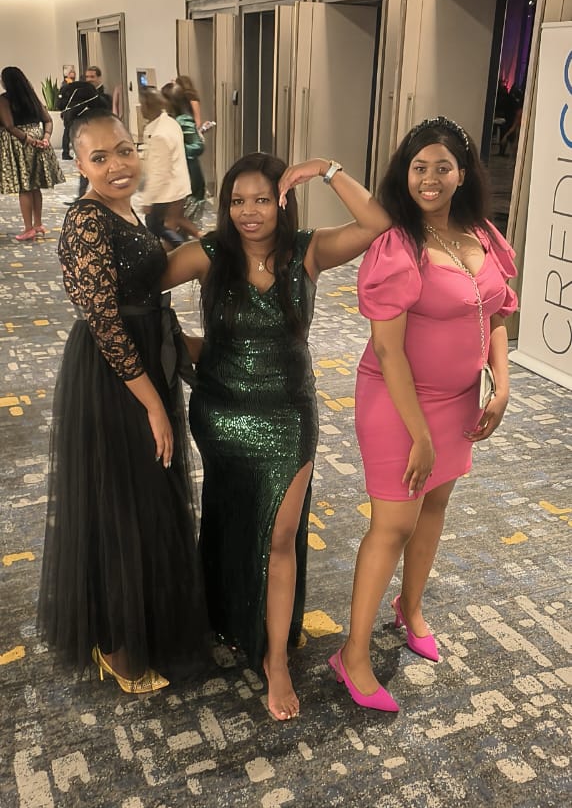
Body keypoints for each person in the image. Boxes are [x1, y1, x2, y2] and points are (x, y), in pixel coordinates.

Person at [162, 152, 392, 720]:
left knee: (281, 535)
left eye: (262, 199)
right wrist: (175, 345)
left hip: (289, 417)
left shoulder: (306, 251)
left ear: (281, 202)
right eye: (237, 201)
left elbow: (377, 223)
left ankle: (277, 660)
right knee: (231, 517)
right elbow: (139, 289)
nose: (249, 212)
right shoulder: (209, 254)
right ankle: (229, 616)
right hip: (221, 415)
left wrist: (324, 169)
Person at [329, 117, 517, 714]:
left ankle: (408, 608)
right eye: (418, 168)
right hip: (397, 402)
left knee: (434, 506)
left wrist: (501, 384)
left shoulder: (482, 234)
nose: (429, 179)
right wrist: (420, 435)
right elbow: (388, 351)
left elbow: (497, 312)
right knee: (392, 525)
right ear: (403, 175)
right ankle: (352, 653)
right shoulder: (398, 245)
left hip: (460, 399)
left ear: (463, 174)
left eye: (442, 167)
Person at [38, 96, 208, 693]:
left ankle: (141, 626)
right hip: (115, 374)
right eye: (100, 158)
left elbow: (145, 286)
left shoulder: (127, 210)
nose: (117, 166)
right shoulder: (87, 220)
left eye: (125, 151)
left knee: (144, 494)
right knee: (120, 502)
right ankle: (118, 644)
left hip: (143, 360)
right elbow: (105, 321)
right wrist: (154, 404)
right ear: (80, 163)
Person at [0, 65, 64, 240]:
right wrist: (45, 138)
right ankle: (38, 223)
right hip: (39, 138)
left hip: (21, 142)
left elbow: (9, 125)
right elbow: (48, 120)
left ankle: (28, 228)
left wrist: (28, 140)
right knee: (35, 186)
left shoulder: (4, 100)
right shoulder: (32, 96)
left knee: (25, 187)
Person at [140, 88, 200, 244]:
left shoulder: (159, 135)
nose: (140, 109)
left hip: (167, 191)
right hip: (179, 186)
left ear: (148, 106)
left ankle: (182, 249)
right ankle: (206, 244)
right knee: (177, 221)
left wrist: (147, 200)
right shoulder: (170, 123)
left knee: (155, 225)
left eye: (142, 104)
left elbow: (160, 172)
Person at [162, 82, 206, 208]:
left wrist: (176, 149)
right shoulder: (169, 119)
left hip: (188, 178)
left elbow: (198, 146)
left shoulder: (183, 120)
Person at [175, 74, 207, 205]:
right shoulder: (181, 103)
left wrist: (195, 130)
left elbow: (197, 122)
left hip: (189, 138)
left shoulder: (191, 100)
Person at [57, 66, 77, 159]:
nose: (73, 76)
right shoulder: (67, 85)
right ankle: (65, 152)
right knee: (68, 132)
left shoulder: (68, 84)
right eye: (71, 75)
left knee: (68, 132)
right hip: (69, 111)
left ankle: (66, 152)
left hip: (69, 111)